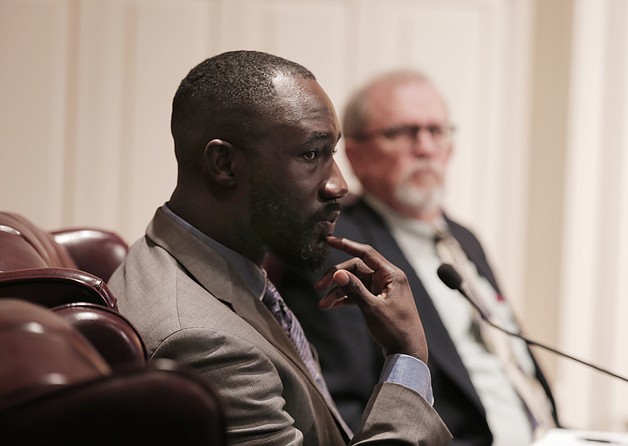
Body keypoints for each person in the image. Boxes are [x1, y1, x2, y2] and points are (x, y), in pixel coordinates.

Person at [108, 51, 450, 445]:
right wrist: (407, 356)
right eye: (310, 154)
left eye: (332, 153)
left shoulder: (197, 264)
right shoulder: (203, 342)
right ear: (224, 164)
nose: (338, 184)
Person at [272, 71, 559, 446]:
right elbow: (343, 413)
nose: (425, 147)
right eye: (401, 133)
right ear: (355, 154)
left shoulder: (463, 238)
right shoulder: (334, 248)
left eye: (436, 131)